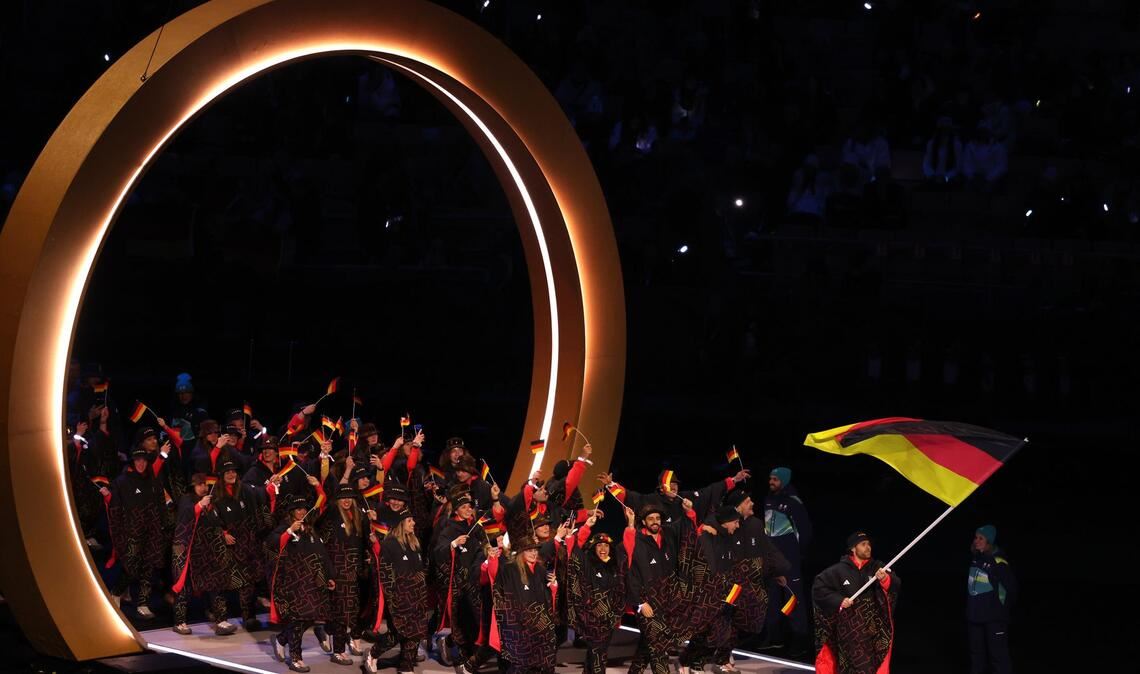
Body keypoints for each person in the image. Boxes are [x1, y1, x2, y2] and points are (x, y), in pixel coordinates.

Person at [812, 532, 900, 674]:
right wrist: (839, 600)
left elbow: (896, 583)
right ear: (853, 548)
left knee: (873, 665)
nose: (868, 547)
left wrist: (885, 579)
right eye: (863, 544)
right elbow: (819, 588)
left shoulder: (878, 567)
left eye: (869, 544)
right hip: (848, 632)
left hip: (872, 630)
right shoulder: (838, 570)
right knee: (851, 666)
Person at [170, 473, 245, 636]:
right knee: (184, 587)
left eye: (205, 484)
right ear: (193, 486)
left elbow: (217, 522)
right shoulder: (186, 500)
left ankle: (221, 621)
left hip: (207, 553)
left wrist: (223, 533)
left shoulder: (212, 504)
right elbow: (183, 518)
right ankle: (180, 622)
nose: (204, 487)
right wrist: (198, 506)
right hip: (187, 551)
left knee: (216, 584)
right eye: (200, 484)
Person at [267, 494, 335, 673]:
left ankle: (282, 639)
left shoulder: (311, 530)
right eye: (298, 509)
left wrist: (330, 576)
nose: (302, 512)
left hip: (313, 583)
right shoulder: (284, 527)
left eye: (304, 509)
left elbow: (323, 555)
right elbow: (271, 543)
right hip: (293, 583)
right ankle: (296, 658)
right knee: (298, 620)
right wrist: (289, 531)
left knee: (310, 618)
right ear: (291, 512)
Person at [568, 507, 635, 674]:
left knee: (597, 651)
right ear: (593, 548)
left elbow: (629, 547)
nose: (603, 548)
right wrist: (587, 527)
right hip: (590, 618)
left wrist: (631, 524)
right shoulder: (587, 564)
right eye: (599, 545)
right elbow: (573, 549)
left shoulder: (616, 566)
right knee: (599, 654)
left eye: (606, 545)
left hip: (610, 619)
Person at [364, 509, 429, 674]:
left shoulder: (415, 543)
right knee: (398, 633)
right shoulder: (390, 544)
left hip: (418, 597)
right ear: (400, 524)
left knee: (416, 633)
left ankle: (406, 667)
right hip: (400, 597)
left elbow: (421, 569)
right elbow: (385, 575)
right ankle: (373, 653)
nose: (413, 523)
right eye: (409, 521)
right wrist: (392, 599)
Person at [108, 447, 168, 618]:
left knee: (148, 569)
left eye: (144, 460)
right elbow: (115, 510)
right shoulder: (122, 482)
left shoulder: (154, 481)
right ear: (133, 462)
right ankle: (116, 593)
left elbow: (161, 505)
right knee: (131, 567)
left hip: (153, 532)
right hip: (131, 533)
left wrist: (162, 526)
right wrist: (119, 533)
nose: (141, 463)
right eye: (137, 460)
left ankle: (143, 603)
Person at [485, 535, 558, 674]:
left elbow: (548, 597)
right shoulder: (510, 569)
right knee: (520, 665)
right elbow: (495, 581)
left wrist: (553, 584)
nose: (534, 553)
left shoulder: (541, 570)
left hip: (540, 626)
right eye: (529, 550)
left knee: (544, 664)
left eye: (535, 550)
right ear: (520, 552)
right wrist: (493, 559)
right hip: (519, 627)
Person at [319, 484, 370, 665]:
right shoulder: (331, 516)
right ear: (337, 500)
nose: (347, 500)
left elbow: (364, 543)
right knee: (341, 612)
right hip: (338, 570)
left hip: (355, 572)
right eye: (343, 497)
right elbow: (322, 547)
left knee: (352, 610)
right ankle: (338, 651)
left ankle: (328, 630)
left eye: (350, 497)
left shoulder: (359, 517)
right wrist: (328, 573)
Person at [762, 467, 811, 650]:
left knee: (793, 598)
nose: (771, 482)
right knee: (772, 598)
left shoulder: (793, 502)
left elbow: (805, 532)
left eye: (774, 479)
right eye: (770, 478)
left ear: (783, 480)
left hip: (790, 561)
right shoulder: (768, 500)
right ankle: (774, 637)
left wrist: (796, 554)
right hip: (772, 560)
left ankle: (799, 639)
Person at [968, 525, 1016, 674]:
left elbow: (1012, 589)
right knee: (976, 659)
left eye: (981, 538)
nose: (976, 541)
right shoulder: (976, 560)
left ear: (989, 541)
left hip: (994, 620)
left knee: (998, 658)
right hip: (975, 619)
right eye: (976, 537)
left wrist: (999, 612)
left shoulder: (999, 563)